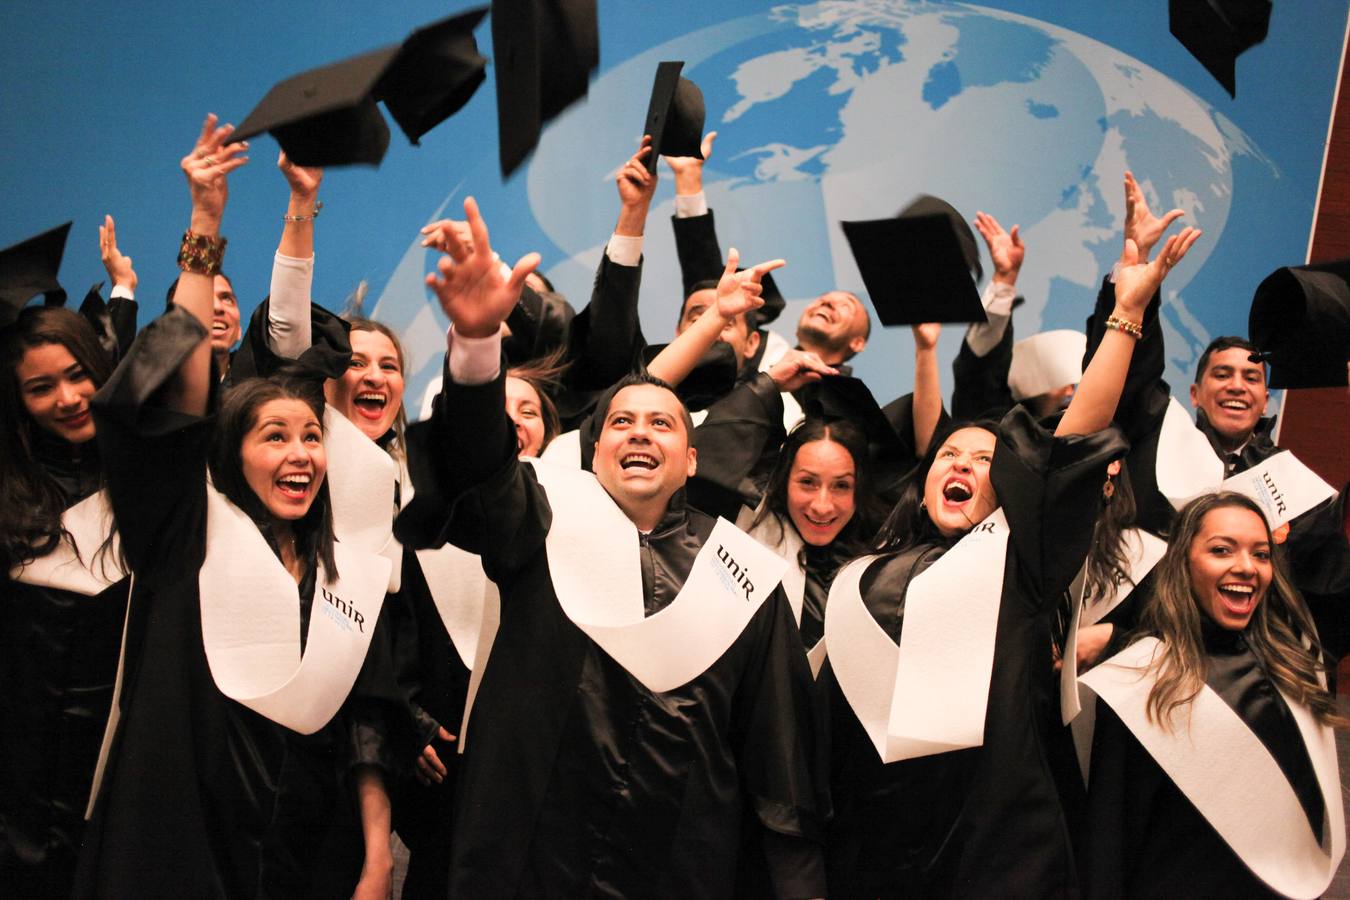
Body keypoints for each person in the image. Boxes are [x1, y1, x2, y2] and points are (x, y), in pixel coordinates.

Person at [396, 196, 827, 898]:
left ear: (692, 460)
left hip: (680, 866)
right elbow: (476, 468)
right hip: (527, 862)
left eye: (662, 422)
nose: (638, 431)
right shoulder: (541, 518)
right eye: (619, 421)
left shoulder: (740, 577)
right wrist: (476, 347)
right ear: (593, 455)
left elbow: (780, 768)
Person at [819, 222, 1200, 897]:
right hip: (878, 839)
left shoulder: (1022, 563)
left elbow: (1076, 438)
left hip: (992, 846)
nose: (960, 464)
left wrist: (1127, 315)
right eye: (948, 456)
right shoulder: (866, 573)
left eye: (983, 460)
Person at [75, 115, 401, 900]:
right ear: (227, 453)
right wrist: (205, 223)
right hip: (177, 853)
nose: (300, 454)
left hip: (299, 857)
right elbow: (170, 393)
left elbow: (365, 716)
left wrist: (376, 857)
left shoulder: (341, 567)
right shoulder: (187, 533)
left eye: (310, 437)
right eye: (274, 437)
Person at [1082, 492, 1345, 898]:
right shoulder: (1139, 679)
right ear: (1184, 561)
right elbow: (1109, 837)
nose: (1246, 567)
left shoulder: (1292, 668)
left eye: (1261, 554)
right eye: (1222, 550)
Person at [0, 304, 129, 898]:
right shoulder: (9, 489)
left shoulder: (142, 477)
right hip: (18, 759)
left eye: (79, 374)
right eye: (41, 387)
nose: (69, 397)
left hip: (116, 751)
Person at [743, 417, 886, 654]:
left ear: (859, 487)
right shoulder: (747, 532)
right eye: (808, 482)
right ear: (784, 480)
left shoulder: (883, 557)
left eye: (841, 486)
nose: (822, 506)